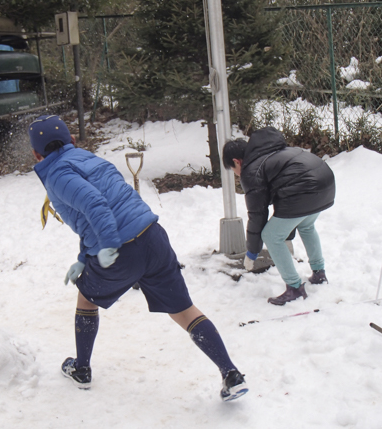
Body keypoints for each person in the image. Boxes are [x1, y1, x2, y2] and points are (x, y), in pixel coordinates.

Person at [29, 114, 248, 402]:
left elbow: (95, 205)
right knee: (183, 310)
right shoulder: (89, 158)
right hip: (151, 236)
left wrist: (107, 245)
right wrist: (84, 256)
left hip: (121, 248)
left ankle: (81, 369)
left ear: (36, 153)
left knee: (86, 298)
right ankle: (231, 374)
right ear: (71, 140)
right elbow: (94, 213)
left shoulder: (57, 175)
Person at [222, 126, 335, 306]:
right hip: (325, 184)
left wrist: (252, 252)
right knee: (306, 226)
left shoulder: (251, 170)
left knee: (271, 236)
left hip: (304, 190)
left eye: (232, 168)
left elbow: (257, 215)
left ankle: (295, 288)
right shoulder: (276, 151)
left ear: (237, 161)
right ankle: (319, 273)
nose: (236, 174)